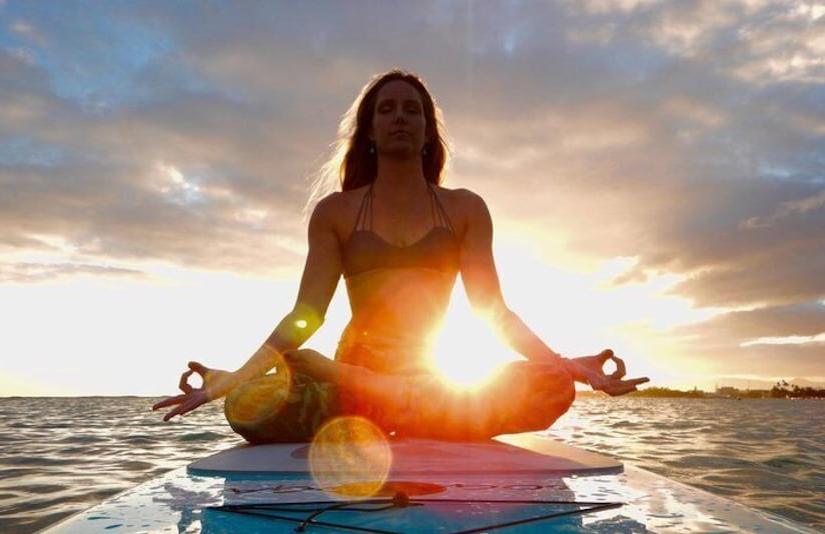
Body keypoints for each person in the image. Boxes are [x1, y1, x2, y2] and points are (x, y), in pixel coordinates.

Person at [153, 69, 649, 442]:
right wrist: (234, 379)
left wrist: (563, 366)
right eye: (386, 110)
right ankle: (406, 409)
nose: (400, 118)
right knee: (247, 403)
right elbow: (306, 316)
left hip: (429, 376)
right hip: (356, 383)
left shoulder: (465, 208)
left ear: (429, 131)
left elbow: (493, 313)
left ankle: (391, 407)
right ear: (368, 130)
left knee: (551, 387)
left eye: (413, 111)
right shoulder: (336, 212)